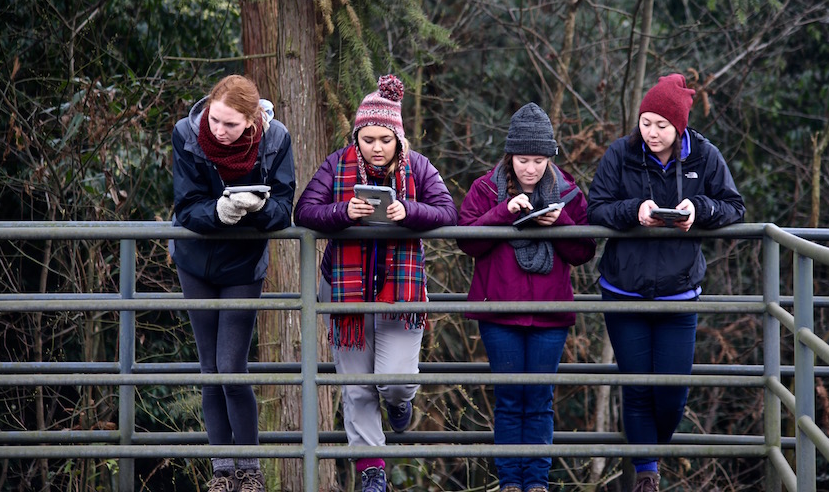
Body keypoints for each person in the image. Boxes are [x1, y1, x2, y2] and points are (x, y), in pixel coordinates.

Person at [294, 74, 457, 492]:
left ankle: (400, 402)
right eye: (367, 139)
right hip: (344, 289)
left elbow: (447, 211)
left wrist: (411, 212)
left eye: (384, 139)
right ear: (357, 136)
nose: (376, 147)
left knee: (395, 379)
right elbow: (305, 212)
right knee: (356, 385)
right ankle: (372, 468)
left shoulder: (417, 166)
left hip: (399, 293)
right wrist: (344, 211)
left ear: (398, 137)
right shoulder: (336, 164)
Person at [586, 74, 745, 492]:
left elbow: (734, 207)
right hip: (624, 290)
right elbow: (596, 208)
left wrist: (700, 210)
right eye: (646, 122)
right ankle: (647, 473)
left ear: (680, 126)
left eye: (661, 125)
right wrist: (634, 211)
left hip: (678, 291)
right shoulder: (621, 153)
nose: (652, 133)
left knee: (672, 392)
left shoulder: (705, 156)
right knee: (637, 388)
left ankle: (650, 452)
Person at [457, 103, 596, 492]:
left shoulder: (567, 192)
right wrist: (503, 212)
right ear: (510, 156)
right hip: (499, 314)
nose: (530, 169)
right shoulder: (486, 189)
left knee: (538, 400)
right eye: (522, 160)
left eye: (538, 160)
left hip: (550, 316)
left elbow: (585, 251)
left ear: (550, 158)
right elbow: (465, 240)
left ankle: (536, 483)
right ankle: (509, 483)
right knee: (508, 401)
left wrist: (561, 222)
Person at [170, 75, 295, 492]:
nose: (219, 131)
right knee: (210, 370)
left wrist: (254, 209)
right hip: (195, 261)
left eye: (230, 124)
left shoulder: (276, 139)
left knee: (231, 368)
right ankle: (222, 471)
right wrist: (219, 211)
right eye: (215, 120)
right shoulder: (187, 134)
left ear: (252, 119)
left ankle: (250, 469)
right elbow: (186, 206)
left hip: (243, 263)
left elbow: (283, 206)